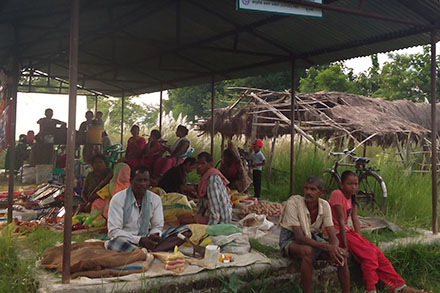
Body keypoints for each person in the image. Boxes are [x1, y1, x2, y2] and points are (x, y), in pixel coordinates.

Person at [329, 170, 429, 293]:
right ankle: (370, 289)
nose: (354, 187)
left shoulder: (352, 197)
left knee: (378, 254)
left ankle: (400, 287)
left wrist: (360, 240)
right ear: (341, 184)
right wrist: (344, 246)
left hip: (348, 232)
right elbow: (339, 220)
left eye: (356, 184)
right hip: (337, 234)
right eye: (350, 184)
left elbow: (355, 219)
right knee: (369, 256)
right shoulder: (337, 194)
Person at [279, 176, 350, 293]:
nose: (308, 192)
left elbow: (332, 236)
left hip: (311, 237)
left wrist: (334, 248)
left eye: (312, 189)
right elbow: (299, 237)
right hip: (290, 239)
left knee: (341, 255)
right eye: (306, 188)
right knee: (308, 252)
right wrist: (327, 247)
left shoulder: (324, 205)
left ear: (321, 192)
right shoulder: (293, 203)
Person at [106, 166, 191, 252]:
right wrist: (139, 240)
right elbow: (114, 231)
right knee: (114, 243)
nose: (142, 184)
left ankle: (148, 252)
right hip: (127, 239)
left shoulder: (155, 199)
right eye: (139, 180)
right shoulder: (118, 199)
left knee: (185, 231)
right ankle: (146, 251)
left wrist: (154, 235)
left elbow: (157, 226)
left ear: (149, 182)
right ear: (131, 181)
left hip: (147, 237)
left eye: (145, 180)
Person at [196, 152, 232, 225]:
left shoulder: (212, 180)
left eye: (203, 163)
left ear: (210, 164)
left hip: (221, 221)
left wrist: (210, 229)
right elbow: (202, 203)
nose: (199, 166)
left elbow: (215, 209)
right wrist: (198, 215)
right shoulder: (205, 177)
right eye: (197, 163)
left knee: (186, 221)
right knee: (189, 220)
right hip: (216, 217)